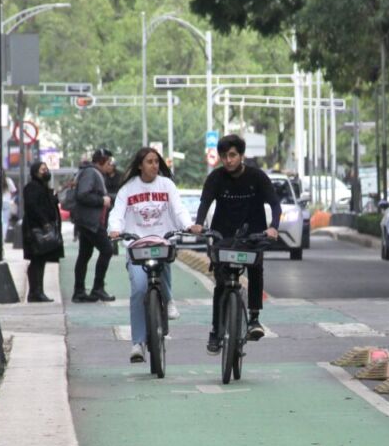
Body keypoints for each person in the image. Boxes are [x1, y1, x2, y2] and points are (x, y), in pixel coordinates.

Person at [190, 134, 280, 354]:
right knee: (221, 284)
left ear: (241, 155)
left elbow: (275, 205)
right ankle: (215, 331)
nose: (228, 160)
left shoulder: (257, 177)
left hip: (253, 237)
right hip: (223, 237)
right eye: (224, 156)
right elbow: (205, 203)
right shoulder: (215, 178)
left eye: (232, 155)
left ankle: (254, 319)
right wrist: (199, 224)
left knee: (256, 269)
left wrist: (273, 227)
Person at [107, 147, 192, 363]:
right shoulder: (128, 189)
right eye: (149, 161)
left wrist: (189, 226)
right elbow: (117, 213)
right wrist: (114, 229)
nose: (154, 165)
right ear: (139, 165)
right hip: (136, 246)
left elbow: (179, 209)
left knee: (164, 264)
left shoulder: (167, 185)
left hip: (162, 241)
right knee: (138, 289)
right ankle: (137, 343)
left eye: (156, 161)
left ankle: (169, 299)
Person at [70, 148, 116, 303]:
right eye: (109, 162)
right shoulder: (91, 173)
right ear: (101, 161)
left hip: (87, 221)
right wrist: (101, 200)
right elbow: (83, 194)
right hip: (91, 222)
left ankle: (79, 291)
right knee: (107, 249)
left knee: (84, 255)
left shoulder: (90, 172)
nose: (111, 166)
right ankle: (97, 288)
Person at [21, 160, 63, 302]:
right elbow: (33, 207)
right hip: (35, 229)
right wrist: (44, 223)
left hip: (41, 227)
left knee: (41, 259)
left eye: (46, 169)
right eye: (42, 169)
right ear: (35, 172)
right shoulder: (32, 187)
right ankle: (35, 291)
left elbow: (49, 203)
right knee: (37, 260)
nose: (46, 172)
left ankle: (37, 291)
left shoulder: (43, 187)